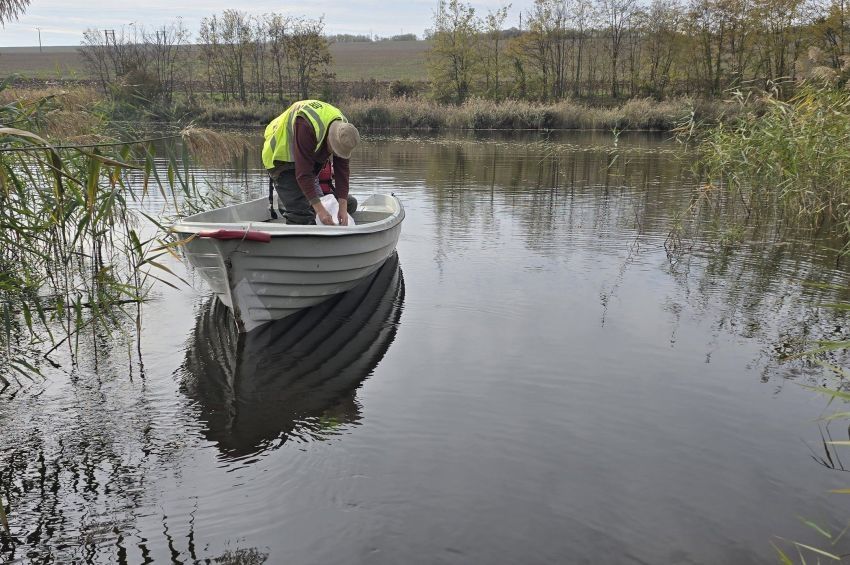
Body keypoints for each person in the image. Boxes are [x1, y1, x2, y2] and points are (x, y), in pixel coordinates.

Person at [262, 100, 360, 225]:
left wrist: (343, 206)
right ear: (330, 138)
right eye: (334, 150)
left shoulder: (345, 131)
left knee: (339, 206)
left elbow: (342, 171)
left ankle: (298, 206)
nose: (334, 154)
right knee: (301, 216)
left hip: (306, 154)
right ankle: (296, 232)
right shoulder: (306, 125)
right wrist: (320, 210)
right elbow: (304, 173)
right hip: (280, 157)